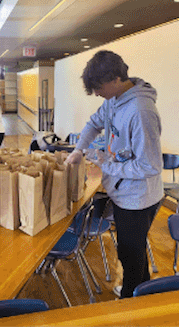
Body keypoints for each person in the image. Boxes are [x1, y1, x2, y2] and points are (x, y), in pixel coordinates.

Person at [64, 49, 162, 298]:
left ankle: (131, 298)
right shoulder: (114, 100)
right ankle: (144, 292)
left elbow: (150, 166)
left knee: (130, 252)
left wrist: (107, 165)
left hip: (139, 197)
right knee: (132, 249)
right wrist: (79, 149)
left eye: (99, 87)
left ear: (115, 79)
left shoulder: (141, 111)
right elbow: (94, 123)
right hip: (123, 191)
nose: (97, 94)